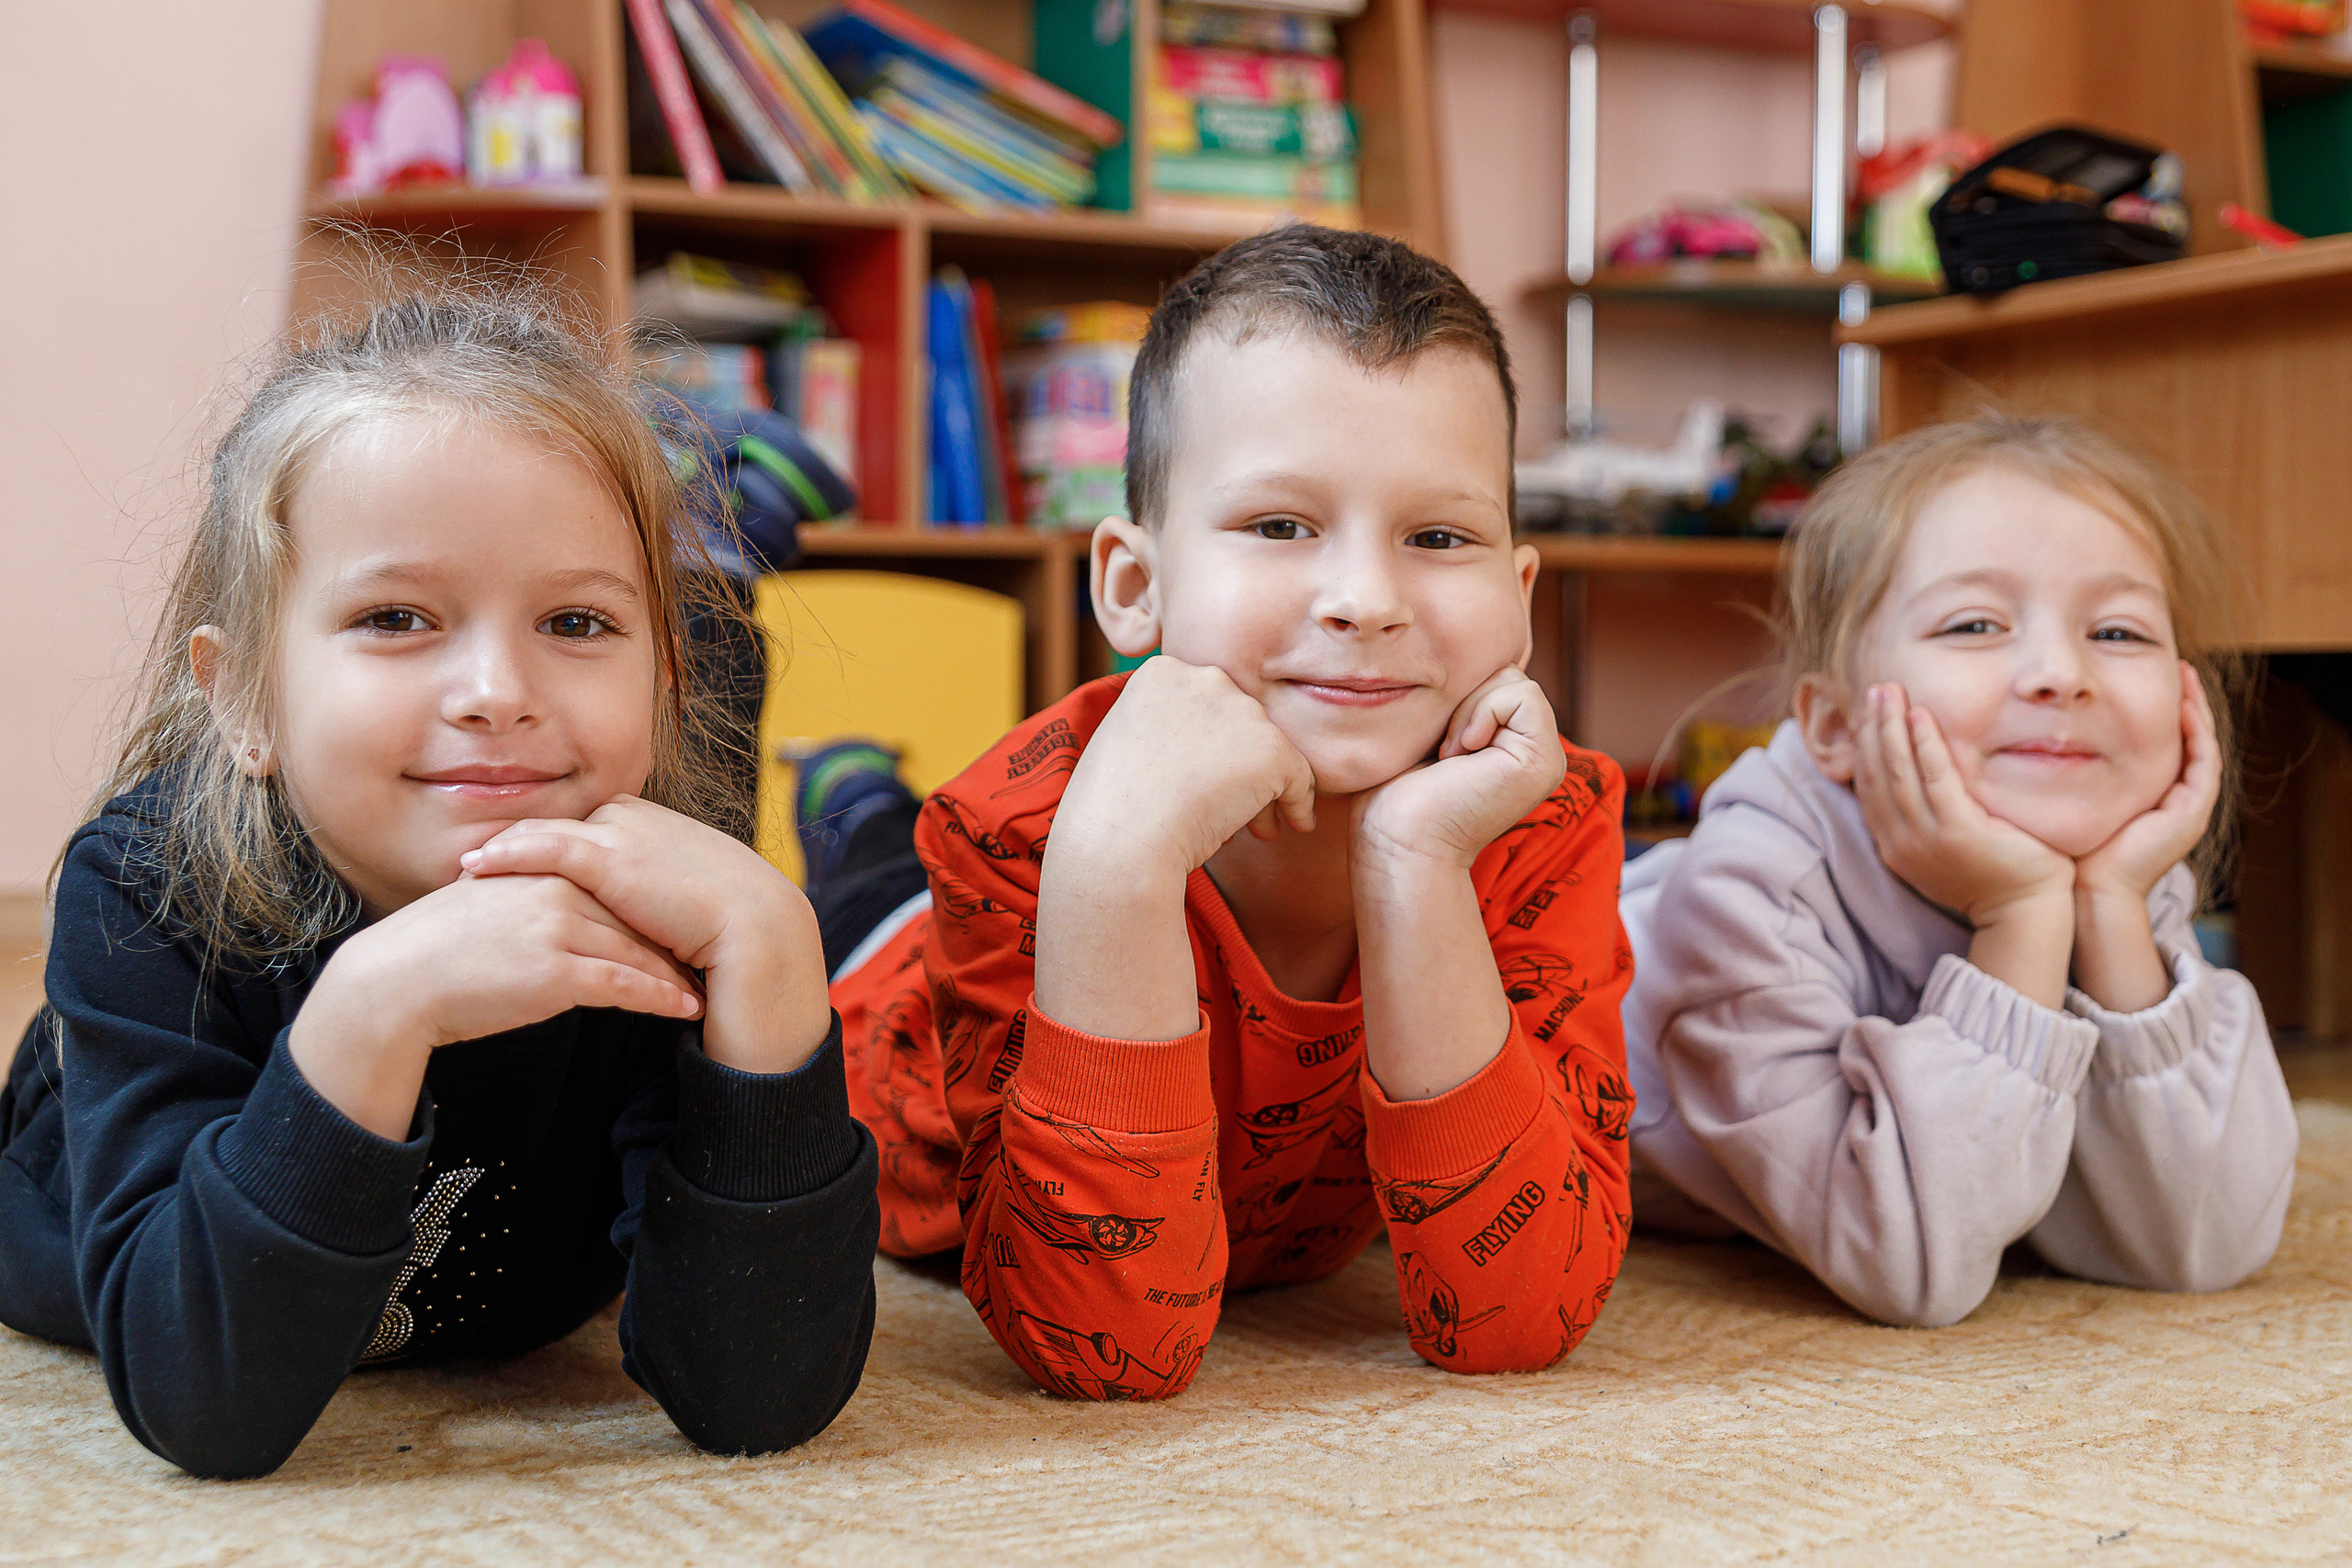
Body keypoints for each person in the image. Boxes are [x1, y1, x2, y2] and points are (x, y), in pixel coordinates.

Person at [0, 289, 878, 1477]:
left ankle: (713, 558)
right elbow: (204, 1400)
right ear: (244, 694)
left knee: (700, 760)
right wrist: (374, 1007)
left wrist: (776, 962)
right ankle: (714, 535)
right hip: (75, 1222)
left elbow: (759, 1397)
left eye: (572, 618)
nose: (494, 688)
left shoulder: (658, 901)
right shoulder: (151, 883)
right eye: (397, 615)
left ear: (659, 675)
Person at [821, 225, 1634, 1399]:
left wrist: (1416, 865)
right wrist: (1112, 873)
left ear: (1517, 597)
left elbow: (1518, 1317)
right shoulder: (1016, 831)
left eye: (1438, 537)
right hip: (886, 969)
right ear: (1135, 586)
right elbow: (1105, 1349)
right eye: (1279, 526)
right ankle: (850, 792)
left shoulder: (1540, 816)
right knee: (856, 867)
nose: (1363, 598)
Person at [1620, 415, 2296, 1327]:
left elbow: (2201, 1245)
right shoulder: (1749, 896)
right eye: (1974, 623)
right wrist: (2019, 917)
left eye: (2120, 632)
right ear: (1833, 725)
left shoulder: (2112, 871)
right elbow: (1909, 1264)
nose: (2060, 672)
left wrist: (2105, 915)